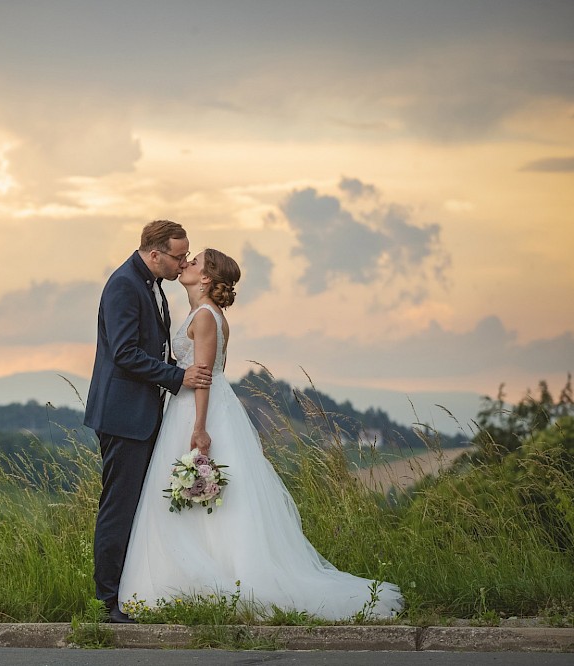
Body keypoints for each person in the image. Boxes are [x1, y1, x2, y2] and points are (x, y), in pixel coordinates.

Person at [118, 248, 403, 621]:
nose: (186, 262)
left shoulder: (205, 317)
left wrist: (200, 429)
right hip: (202, 407)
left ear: (206, 277)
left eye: (195, 261)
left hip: (197, 411)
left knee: (194, 496)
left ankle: (206, 582)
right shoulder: (207, 314)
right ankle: (198, 578)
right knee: (204, 501)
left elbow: (202, 377)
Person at [84, 219, 214, 624]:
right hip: (123, 416)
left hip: (140, 413)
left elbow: (152, 348)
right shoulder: (125, 285)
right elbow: (124, 353)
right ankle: (106, 604)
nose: (183, 263)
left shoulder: (151, 284)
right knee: (118, 509)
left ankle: (129, 591)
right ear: (155, 253)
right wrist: (178, 377)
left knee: (134, 508)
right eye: (178, 256)